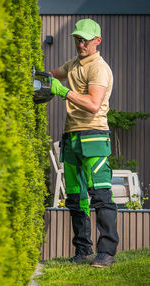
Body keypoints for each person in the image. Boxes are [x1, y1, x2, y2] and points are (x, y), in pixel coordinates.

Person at [49, 18, 119, 267]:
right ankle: (82, 251)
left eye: (85, 40)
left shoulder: (98, 67)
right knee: (75, 197)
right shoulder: (74, 64)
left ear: (97, 41)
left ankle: (107, 252)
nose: (81, 43)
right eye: (78, 39)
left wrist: (63, 91)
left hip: (94, 136)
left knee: (100, 195)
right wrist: (39, 77)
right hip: (72, 136)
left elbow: (93, 104)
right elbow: (53, 75)